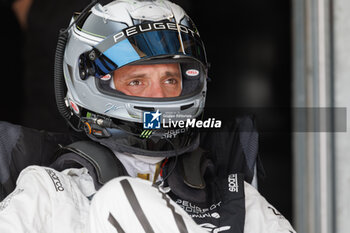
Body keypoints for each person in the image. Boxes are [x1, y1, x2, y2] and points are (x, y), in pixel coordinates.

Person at [0, 0, 296, 232]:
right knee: (120, 198)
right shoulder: (49, 191)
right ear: (87, 85)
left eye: (170, 80)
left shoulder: (234, 195)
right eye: (136, 81)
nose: (159, 97)